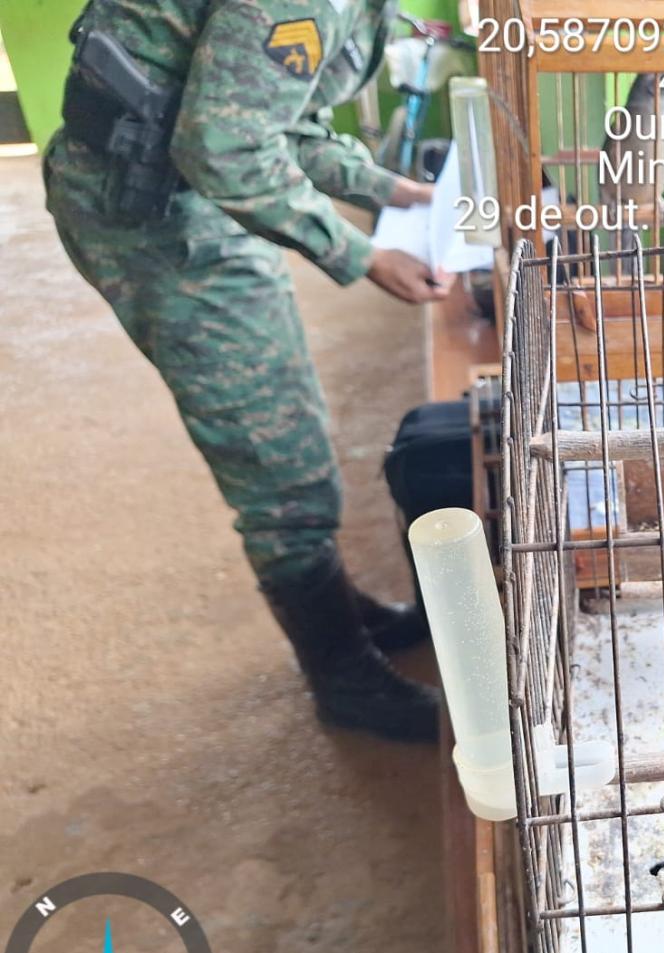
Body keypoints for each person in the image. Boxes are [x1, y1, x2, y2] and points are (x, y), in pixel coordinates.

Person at [44, 0, 454, 742]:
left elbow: (277, 122)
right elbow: (226, 144)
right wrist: (360, 254)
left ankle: (342, 610)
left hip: (189, 183)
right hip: (156, 215)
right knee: (275, 448)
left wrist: (394, 192)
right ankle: (345, 679)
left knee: (288, 408)